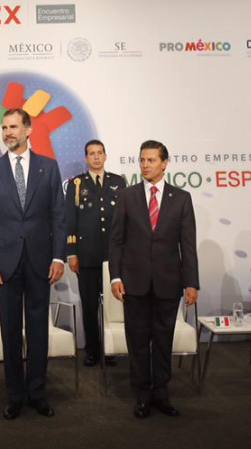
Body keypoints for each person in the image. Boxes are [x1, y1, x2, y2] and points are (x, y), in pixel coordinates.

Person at [0, 108, 66, 420]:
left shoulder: (49, 167)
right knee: (11, 331)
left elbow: (59, 216)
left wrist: (58, 256)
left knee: (39, 330)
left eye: (13, 127)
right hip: (5, 264)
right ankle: (15, 395)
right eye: (4, 128)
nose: (8, 133)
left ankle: (38, 393)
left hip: (41, 262)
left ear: (28, 130)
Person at [108, 140, 198, 419]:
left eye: (151, 160)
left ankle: (161, 394)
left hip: (168, 282)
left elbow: (188, 245)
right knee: (137, 342)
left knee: (162, 340)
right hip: (133, 282)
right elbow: (116, 241)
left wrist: (191, 282)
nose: (145, 165)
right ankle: (142, 396)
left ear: (164, 163)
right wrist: (115, 277)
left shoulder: (181, 198)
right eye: (142, 160)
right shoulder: (127, 196)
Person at [65, 140, 126, 367]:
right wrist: (72, 253)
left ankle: (110, 348)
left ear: (105, 156)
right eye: (92, 154)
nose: (96, 157)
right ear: (86, 158)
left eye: (100, 153)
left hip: (113, 256)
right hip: (87, 255)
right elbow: (70, 220)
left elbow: (125, 219)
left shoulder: (118, 182)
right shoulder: (77, 184)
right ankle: (92, 349)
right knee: (90, 306)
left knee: (111, 306)